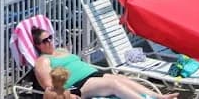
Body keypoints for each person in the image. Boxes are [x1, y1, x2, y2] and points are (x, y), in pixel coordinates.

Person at [32, 27, 178, 99]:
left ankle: (159, 97)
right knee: (112, 85)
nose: (50, 42)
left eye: (50, 37)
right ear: (38, 46)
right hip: (78, 85)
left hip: (93, 74)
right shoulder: (42, 61)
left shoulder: (62, 50)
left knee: (121, 79)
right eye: (45, 41)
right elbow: (49, 86)